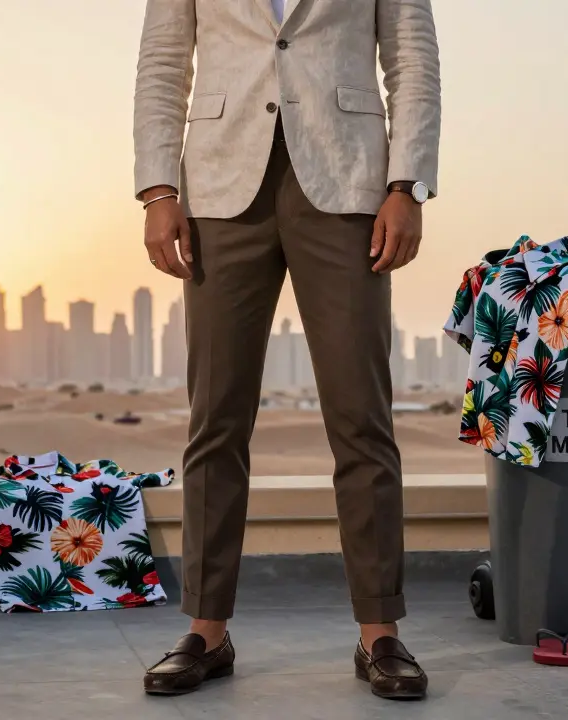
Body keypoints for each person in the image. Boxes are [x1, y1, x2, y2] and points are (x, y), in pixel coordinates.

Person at [132, 0, 440, 700]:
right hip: (219, 184)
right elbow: (162, 63)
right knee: (215, 419)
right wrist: (157, 187)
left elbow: (413, 58)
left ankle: (380, 633)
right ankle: (206, 634)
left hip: (348, 181)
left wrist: (408, 183)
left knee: (362, 418)